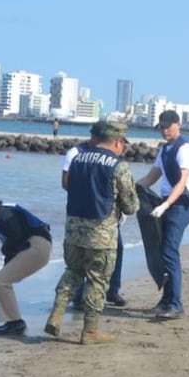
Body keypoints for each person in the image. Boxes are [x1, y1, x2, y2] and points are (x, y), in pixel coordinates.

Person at [45, 122, 138, 343]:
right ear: (117, 141)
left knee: (72, 272)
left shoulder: (77, 159)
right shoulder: (118, 166)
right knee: (98, 281)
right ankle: (90, 331)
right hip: (101, 233)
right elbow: (131, 206)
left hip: (73, 231)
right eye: (123, 143)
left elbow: (67, 186)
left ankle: (56, 315)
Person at [136, 110, 189, 319]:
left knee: (170, 251)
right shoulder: (164, 150)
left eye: (167, 126)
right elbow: (152, 177)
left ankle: (176, 304)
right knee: (160, 250)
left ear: (178, 124)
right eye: (161, 127)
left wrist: (166, 205)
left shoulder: (185, 149)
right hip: (165, 202)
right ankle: (165, 301)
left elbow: (182, 183)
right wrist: (132, 188)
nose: (163, 130)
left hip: (181, 205)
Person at [62, 123, 128, 307]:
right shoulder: (75, 154)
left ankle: (113, 290)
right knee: (82, 258)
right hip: (83, 212)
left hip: (107, 213)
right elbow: (66, 183)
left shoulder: (110, 157)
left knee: (116, 250)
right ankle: (80, 296)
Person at [0, 195, 53, 335]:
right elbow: (14, 243)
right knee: (2, 280)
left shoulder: (1, 213)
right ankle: (13, 322)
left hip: (37, 245)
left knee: (1, 281)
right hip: (38, 246)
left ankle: (15, 323)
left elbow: (16, 236)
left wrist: (5, 250)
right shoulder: (0, 215)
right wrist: (7, 261)